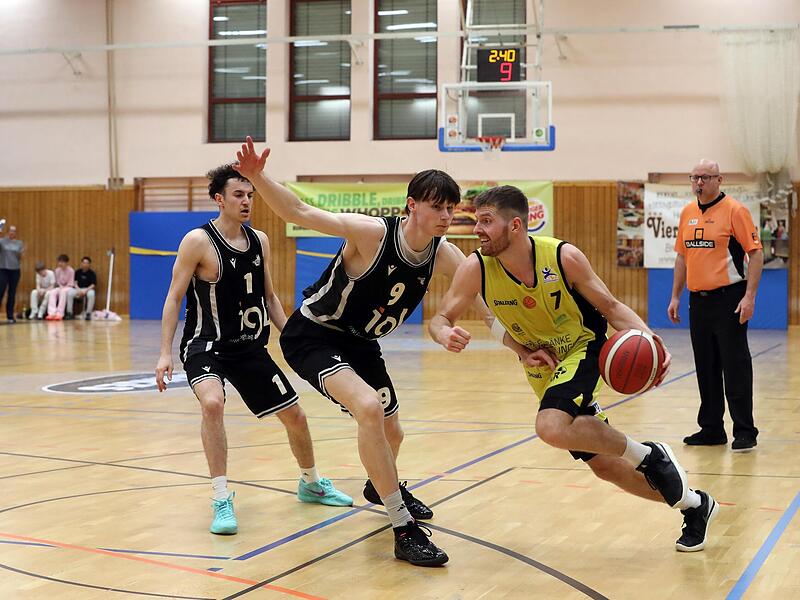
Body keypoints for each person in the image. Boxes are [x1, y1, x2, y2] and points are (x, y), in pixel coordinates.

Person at [234, 136, 491, 566]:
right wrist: (257, 176)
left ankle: (379, 484)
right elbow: (300, 212)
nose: (446, 215)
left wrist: (515, 343)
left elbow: (479, 301)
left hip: (361, 343)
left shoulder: (444, 254)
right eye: (437, 207)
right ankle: (403, 528)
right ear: (412, 206)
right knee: (368, 407)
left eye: (451, 208)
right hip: (313, 334)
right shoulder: (373, 234)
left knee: (394, 434)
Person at [430, 185, 719, 553]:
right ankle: (694, 505)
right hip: (544, 368)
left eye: (486, 221)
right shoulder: (477, 268)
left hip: (584, 348)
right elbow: (441, 316)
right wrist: (444, 334)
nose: (477, 229)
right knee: (606, 467)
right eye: (476, 221)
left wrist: (651, 340)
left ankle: (650, 455)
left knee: (550, 426)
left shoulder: (563, 256)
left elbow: (612, 307)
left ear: (515, 225)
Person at [155, 164, 352, 536]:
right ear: (219, 199)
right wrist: (165, 352)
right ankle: (220, 497)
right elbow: (174, 297)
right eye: (238, 195)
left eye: (250, 195)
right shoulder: (197, 241)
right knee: (212, 403)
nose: (246, 201)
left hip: (249, 348)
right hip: (206, 345)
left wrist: (294, 336)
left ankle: (310, 483)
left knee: (296, 416)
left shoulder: (259, 239)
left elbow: (271, 296)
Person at [668, 160, 763, 452]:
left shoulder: (735, 211)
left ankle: (745, 431)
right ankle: (711, 428)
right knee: (705, 366)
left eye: (705, 177)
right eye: (694, 177)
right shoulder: (687, 213)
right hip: (699, 302)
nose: (699, 182)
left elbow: (755, 254)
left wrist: (749, 297)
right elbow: (682, 257)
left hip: (729, 300)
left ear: (719, 179)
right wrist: (675, 296)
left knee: (735, 366)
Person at [0, 222, 25, 323]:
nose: (12, 233)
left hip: (15, 270)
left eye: (14, 231)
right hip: (3, 269)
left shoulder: (19, 243)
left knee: (12, 293)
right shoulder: (1, 241)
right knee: (0, 292)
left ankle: (10, 316)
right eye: (11, 230)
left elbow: (20, 257)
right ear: (7, 232)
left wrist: (22, 254)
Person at [45, 254, 75, 321]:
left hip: (69, 287)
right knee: (52, 292)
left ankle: (59, 313)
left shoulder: (71, 270)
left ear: (67, 263)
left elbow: (71, 283)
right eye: (59, 262)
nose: (60, 263)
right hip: (60, 287)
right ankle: (51, 313)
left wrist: (63, 288)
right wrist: (61, 287)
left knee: (63, 292)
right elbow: (57, 281)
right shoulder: (57, 270)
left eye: (62, 262)